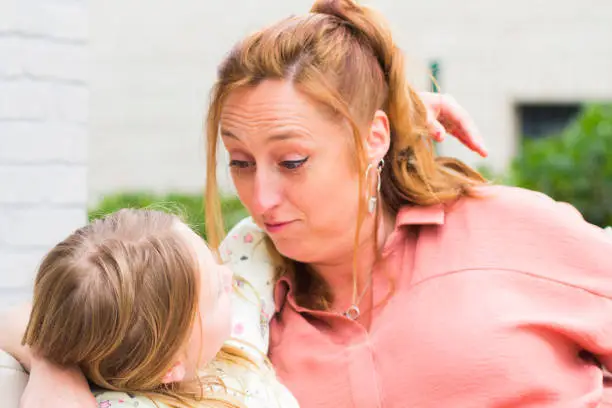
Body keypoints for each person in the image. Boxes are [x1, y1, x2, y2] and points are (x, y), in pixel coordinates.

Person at [4, 0, 611, 406]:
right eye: (239, 162)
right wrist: (58, 377)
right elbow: (65, 319)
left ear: (373, 138)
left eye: (292, 161)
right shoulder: (233, 298)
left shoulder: (508, 229)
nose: (261, 198)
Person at [20, 209, 299, 408]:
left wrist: (48, 364)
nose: (228, 275)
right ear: (170, 365)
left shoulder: (227, 345)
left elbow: (254, 244)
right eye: (217, 291)